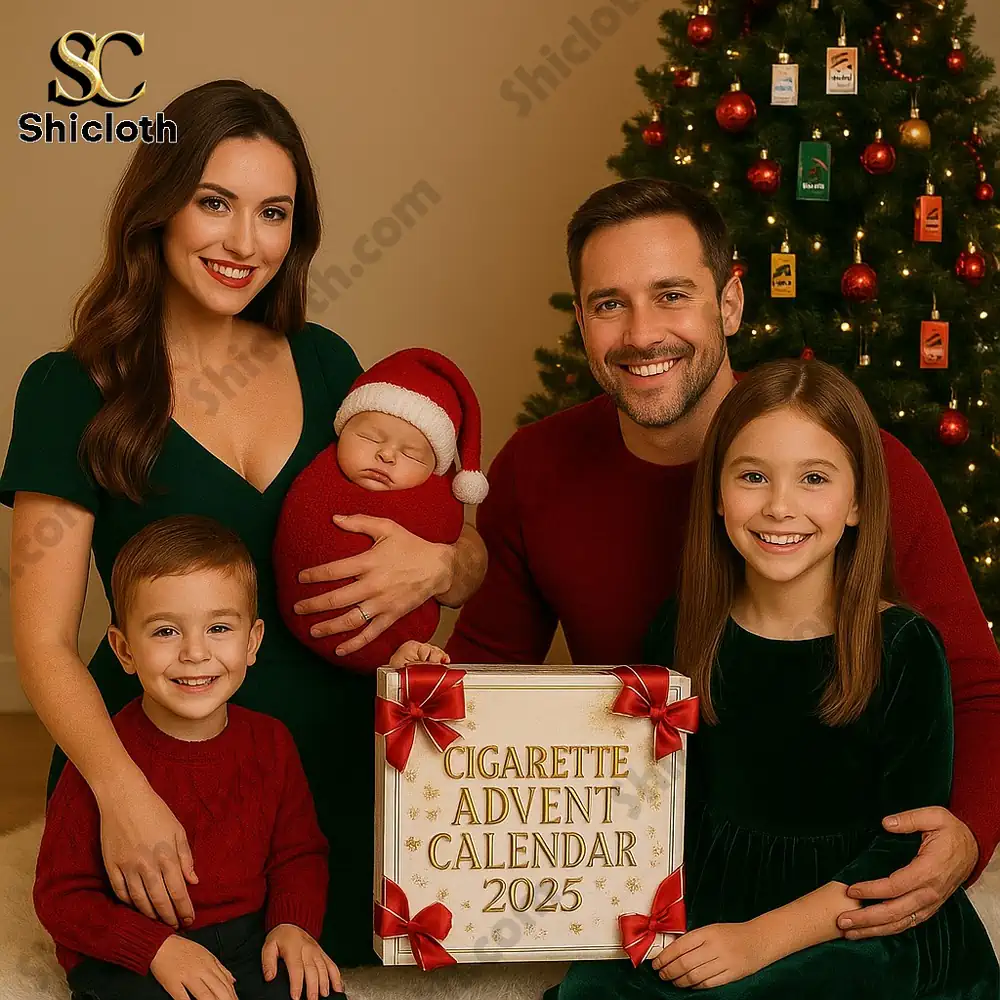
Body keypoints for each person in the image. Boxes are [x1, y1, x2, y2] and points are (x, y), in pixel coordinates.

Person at [0, 79, 486, 968]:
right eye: (214, 203)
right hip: (166, 772)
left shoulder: (331, 363)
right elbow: (41, 644)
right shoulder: (70, 388)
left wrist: (442, 570)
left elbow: (459, 541)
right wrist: (123, 793)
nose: (243, 242)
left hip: (329, 771)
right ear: (157, 207)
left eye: (274, 212)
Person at [446, 178, 1000, 935]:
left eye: (672, 294)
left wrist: (964, 837)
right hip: (663, 862)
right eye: (610, 304)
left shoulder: (857, 468)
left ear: (730, 304)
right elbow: (486, 683)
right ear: (581, 321)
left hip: (833, 874)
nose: (642, 334)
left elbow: (974, 684)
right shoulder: (535, 467)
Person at [547, 358, 999, 998]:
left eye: (814, 478)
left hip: (852, 915)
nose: (781, 507)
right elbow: (659, 802)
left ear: (858, 504)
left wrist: (759, 940)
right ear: (718, 496)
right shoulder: (683, 629)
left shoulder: (902, 648)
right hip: (717, 893)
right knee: (590, 989)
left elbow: (905, 849)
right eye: (753, 477)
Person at [34, 515, 345, 1000]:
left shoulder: (271, 743)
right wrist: (157, 948)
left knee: (313, 988)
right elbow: (61, 899)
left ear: (253, 642)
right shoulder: (101, 753)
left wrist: (291, 926)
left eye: (219, 627)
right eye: (164, 632)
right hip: (133, 946)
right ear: (124, 649)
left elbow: (299, 855)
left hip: (245, 938)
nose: (195, 653)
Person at [274, 348, 489, 671]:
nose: (386, 455)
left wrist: (444, 565)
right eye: (369, 437)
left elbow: (464, 550)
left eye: (413, 454)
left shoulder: (323, 361)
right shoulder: (319, 478)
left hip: (377, 683)